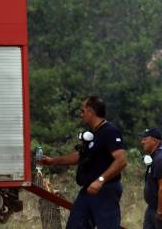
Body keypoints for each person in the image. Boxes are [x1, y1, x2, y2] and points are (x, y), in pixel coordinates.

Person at [40, 95, 128, 229]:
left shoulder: (110, 131)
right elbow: (79, 156)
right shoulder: (93, 134)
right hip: (88, 191)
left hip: (105, 191)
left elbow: (121, 160)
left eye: (83, 111)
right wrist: (52, 161)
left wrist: (100, 180)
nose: (81, 115)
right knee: (75, 225)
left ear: (91, 112)